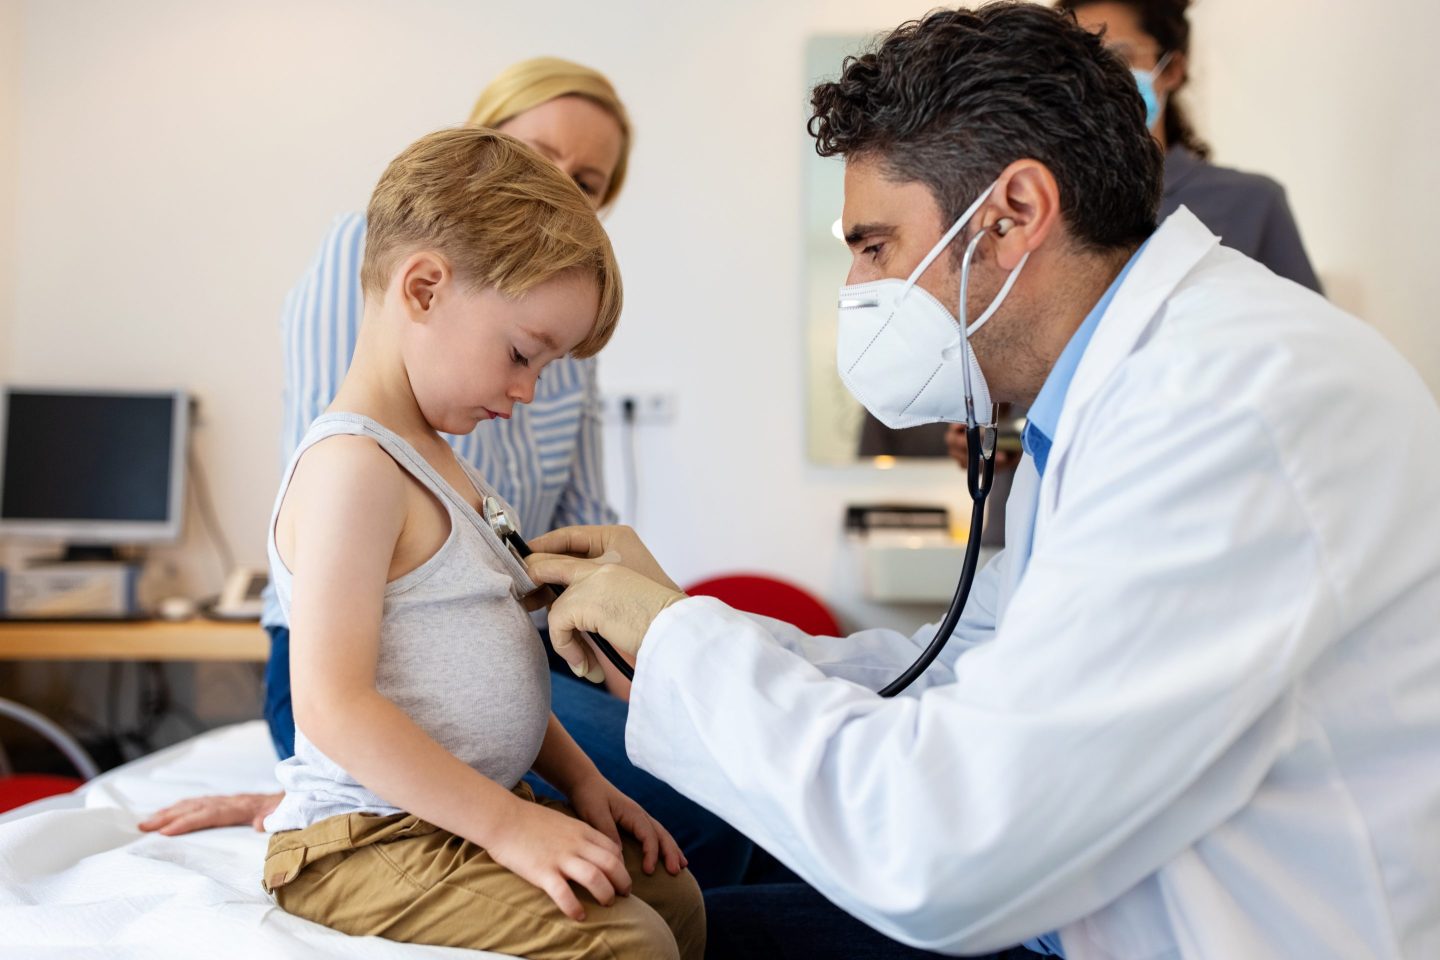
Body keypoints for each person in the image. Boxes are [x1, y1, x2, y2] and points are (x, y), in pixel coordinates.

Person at [524, 5, 1440, 958]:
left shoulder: (1226, 408)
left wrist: (683, 647)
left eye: (873, 247)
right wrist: (681, 620)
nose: (855, 293)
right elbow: (965, 665)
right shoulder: (1113, 394)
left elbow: (942, 847)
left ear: (1010, 217)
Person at [140, 57, 753, 891]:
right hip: (362, 643)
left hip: (503, 654)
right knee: (700, 829)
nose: (561, 185)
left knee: (727, 800)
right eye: (537, 155)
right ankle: (327, 801)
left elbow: (561, 545)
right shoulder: (375, 321)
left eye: (589, 180)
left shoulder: (556, 332)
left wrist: (642, 675)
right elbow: (346, 503)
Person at [257, 126, 702, 958]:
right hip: (366, 843)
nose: (530, 390)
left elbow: (493, 671)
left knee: (674, 898)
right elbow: (331, 704)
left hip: (455, 814)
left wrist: (582, 782)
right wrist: (509, 826)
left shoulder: (445, 467)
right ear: (423, 288)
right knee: (628, 943)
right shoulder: (354, 468)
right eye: (522, 354)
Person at [942, 0, 1324, 483]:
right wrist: (986, 426)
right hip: (1036, 497)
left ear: (1173, 69)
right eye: (1075, 62)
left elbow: (1304, 375)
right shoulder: (1025, 204)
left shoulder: (1250, 205)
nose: (1097, 79)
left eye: (1118, 57)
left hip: (1184, 490)